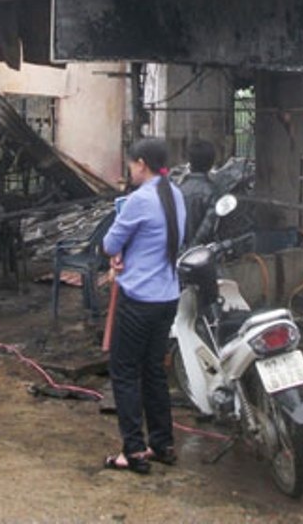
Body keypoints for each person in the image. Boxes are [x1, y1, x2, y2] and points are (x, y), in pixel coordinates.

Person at [101, 137, 186, 473]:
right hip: (167, 297)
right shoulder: (175, 194)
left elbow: (110, 243)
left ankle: (133, 450)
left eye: (131, 164)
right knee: (153, 371)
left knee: (124, 371)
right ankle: (162, 443)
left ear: (141, 164)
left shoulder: (139, 200)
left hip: (139, 299)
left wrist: (120, 255)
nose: (130, 169)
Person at [178, 138, 217, 247]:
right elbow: (208, 225)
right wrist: (194, 245)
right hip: (201, 252)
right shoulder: (211, 191)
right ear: (211, 163)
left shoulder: (179, 188)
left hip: (178, 249)